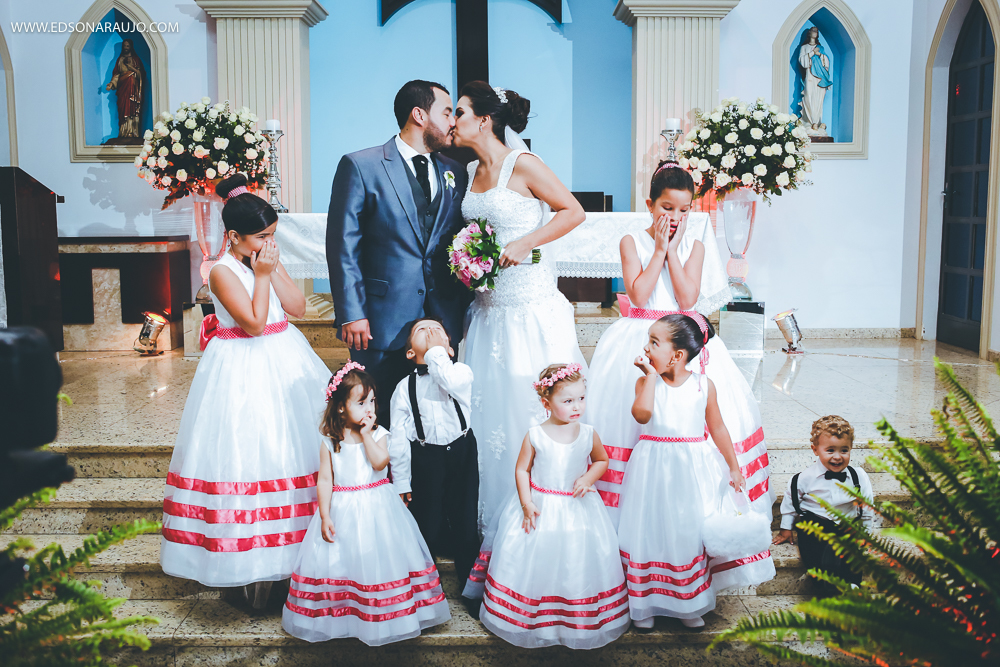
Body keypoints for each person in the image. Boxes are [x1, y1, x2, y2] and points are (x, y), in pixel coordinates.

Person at [585, 162, 774, 590]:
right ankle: (636, 538)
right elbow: (637, 291)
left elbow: (688, 298)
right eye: (666, 208)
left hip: (683, 344)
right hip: (645, 337)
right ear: (650, 205)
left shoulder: (696, 246)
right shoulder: (631, 239)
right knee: (637, 420)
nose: (675, 217)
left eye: (684, 210)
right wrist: (656, 249)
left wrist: (673, 249)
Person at [160, 174, 329, 609]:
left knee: (291, 451)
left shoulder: (264, 259)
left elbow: (295, 307)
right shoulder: (220, 271)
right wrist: (262, 273)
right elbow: (252, 322)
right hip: (242, 368)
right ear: (233, 236)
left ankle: (291, 565)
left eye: (273, 235)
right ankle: (242, 571)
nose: (268, 243)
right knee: (247, 458)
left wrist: (274, 266)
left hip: (286, 360)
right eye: (261, 236)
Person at [453, 81, 587, 531]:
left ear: (484, 120)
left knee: (528, 408)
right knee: (490, 419)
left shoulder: (523, 164)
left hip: (529, 309)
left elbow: (572, 210)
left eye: (460, 111)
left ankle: (549, 522)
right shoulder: (469, 170)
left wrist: (526, 241)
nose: (453, 120)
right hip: (488, 313)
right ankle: (494, 530)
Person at [327, 80, 471, 427]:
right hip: (379, 319)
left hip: (441, 321)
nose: (453, 121)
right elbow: (342, 244)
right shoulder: (362, 165)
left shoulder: (454, 171)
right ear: (419, 114)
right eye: (447, 112)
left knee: (434, 415)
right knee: (378, 416)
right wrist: (351, 312)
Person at [463, 364, 629, 648]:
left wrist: (589, 478)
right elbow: (522, 470)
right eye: (567, 401)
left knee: (575, 562)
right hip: (540, 506)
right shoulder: (535, 435)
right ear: (546, 403)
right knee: (536, 563)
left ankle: (573, 618)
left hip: (578, 508)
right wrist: (527, 502)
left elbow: (602, 460)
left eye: (581, 398)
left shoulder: (589, 433)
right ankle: (531, 617)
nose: (577, 406)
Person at [282, 364, 450, 645]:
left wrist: (368, 433)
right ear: (340, 408)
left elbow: (379, 462)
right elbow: (325, 480)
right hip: (343, 507)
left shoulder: (380, 434)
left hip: (378, 509)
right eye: (361, 403)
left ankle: (386, 616)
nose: (369, 408)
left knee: (378, 563)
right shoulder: (330, 442)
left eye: (372, 401)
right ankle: (347, 616)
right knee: (344, 564)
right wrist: (324, 515)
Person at [617, 315, 746, 630]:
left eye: (654, 343)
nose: (646, 348)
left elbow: (717, 427)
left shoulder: (704, 385)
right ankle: (644, 603)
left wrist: (733, 466)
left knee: (685, 530)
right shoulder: (646, 382)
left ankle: (686, 602)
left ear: (677, 355)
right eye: (647, 340)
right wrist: (649, 376)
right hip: (651, 468)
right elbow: (642, 414)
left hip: (689, 470)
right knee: (648, 529)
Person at [388, 317, 480, 590]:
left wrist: (436, 352)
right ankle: (426, 589)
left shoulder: (461, 372)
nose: (430, 333)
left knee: (465, 522)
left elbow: (447, 378)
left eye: (438, 330)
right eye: (421, 331)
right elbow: (398, 438)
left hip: (462, 452)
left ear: (450, 349)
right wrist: (402, 480)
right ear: (409, 353)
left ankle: (471, 588)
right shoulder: (404, 388)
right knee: (427, 522)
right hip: (426, 459)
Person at [775, 415, 874, 592]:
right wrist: (786, 528)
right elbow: (791, 503)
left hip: (847, 524)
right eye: (830, 450)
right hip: (814, 524)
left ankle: (853, 587)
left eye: (844, 450)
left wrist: (866, 531)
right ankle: (826, 588)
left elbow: (866, 506)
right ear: (815, 449)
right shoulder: (804, 478)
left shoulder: (859, 477)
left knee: (851, 552)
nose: (837, 457)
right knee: (816, 554)